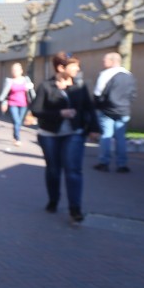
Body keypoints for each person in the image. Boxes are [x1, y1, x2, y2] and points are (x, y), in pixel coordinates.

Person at [30, 52, 98, 222]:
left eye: (77, 65)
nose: (77, 68)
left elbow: (89, 108)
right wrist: (60, 113)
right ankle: (53, 200)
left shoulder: (80, 86)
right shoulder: (46, 86)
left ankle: (75, 209)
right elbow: (36, 110)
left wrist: (94, 128)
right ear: (61, 68)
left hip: (74, 133)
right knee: (53, 170)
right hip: (49, 135)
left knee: (73, 170)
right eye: (74, 65)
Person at [92, 51, 137, 173]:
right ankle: (122, 164)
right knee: (120, 138)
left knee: (106, 136)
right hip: (123, 110)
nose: (102, 62)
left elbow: (97, 93)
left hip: (107, 110)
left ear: (112, 61)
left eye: (104, 60)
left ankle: (104, 162)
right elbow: (133, 94)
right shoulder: (129, 75)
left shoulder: (105, 74)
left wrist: (97, 106)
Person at [0, 61, 34, 145]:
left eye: (16, 70)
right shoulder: (9, 81)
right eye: (13, 70)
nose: (15, 72)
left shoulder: (26, 80)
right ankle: (17, 139)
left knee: (19, 122)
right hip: (12, 103)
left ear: (21, 71)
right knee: (16, 121)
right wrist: (4, 103)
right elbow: (5, 94)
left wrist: (34, 99)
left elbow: (31, 91)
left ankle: (15, 135)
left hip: (24, 104)